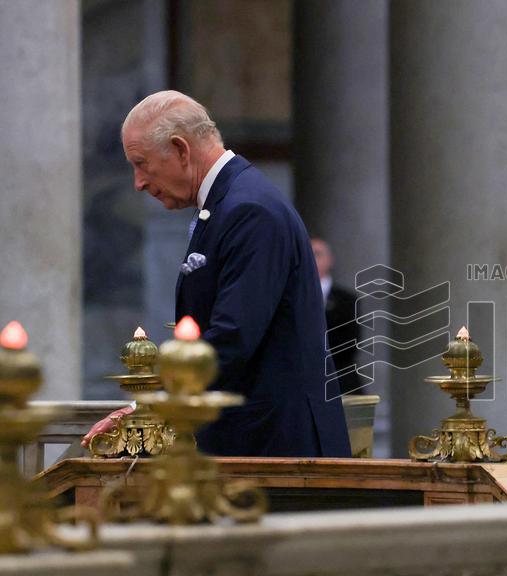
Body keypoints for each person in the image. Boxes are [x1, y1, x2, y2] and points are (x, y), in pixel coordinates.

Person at [85, 90, 351, 458]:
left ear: (181, 149)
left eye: (141, 163)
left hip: (276, 451)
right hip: (255, 443)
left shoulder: (248, 210)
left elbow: (233, 337)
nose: (138, 182)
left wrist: (148, 408)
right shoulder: (229, 203)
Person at [311, 237, 362, 395]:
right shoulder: (293, 297)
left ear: (329, 260)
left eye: (317, 254)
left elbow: (351, 343)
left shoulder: (346, 299)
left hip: (339, 379)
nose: (312, 260)